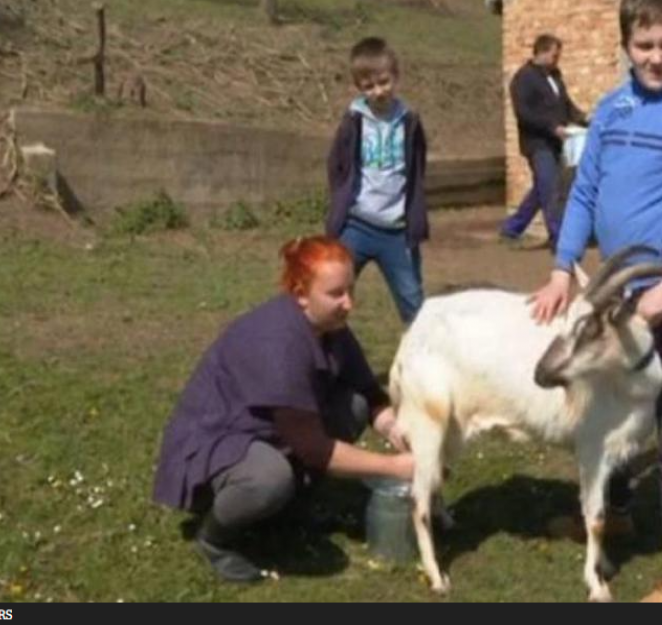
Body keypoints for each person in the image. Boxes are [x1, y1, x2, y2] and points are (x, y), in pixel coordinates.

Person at [530, 0, 662, 603]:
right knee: (610, 405)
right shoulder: (611, 108)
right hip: (615, 291)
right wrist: (560, 268)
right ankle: (613, 511)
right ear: (627, 43)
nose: (655, 57)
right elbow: (587, 191)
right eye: (645, 44)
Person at [152, 235, 413, 583]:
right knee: (269, 478)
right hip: (216, 439)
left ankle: (289, 511)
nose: (349, 303)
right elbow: (315, 449)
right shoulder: (278, 341)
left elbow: (368, 391)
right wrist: (395, 467)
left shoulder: (331, 327)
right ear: (301, 293)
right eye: (335, 293)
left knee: (354, 405)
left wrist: (394, 428)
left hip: (271, 430)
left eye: (351, 290)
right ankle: (213, 538)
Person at [326, 36, 428, 324]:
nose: (378, 91)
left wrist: (413, 214)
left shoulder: (410, 121)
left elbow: (418, 167)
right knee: (332, 294)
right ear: (358, 88)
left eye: (384, 82)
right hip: (356, 226)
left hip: (397, 231)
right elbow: (336, 165)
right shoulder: (353, 121)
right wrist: (341, 205)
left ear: (396, 77)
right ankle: (327, 360)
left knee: (414, 303)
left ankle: (421, 362)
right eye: (368, 87)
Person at [499, 33, 588, 247]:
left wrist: (584, 119)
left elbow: (565, 105)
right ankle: (560, 238)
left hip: (555, 143)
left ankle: (511, 228)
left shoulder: (555, 75)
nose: (557, 59)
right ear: (542, 51)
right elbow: (524, 113)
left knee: (542, 188)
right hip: (537, 143)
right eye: (554, 55)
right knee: (550, 189)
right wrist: (552, 127)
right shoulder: (524, 78)